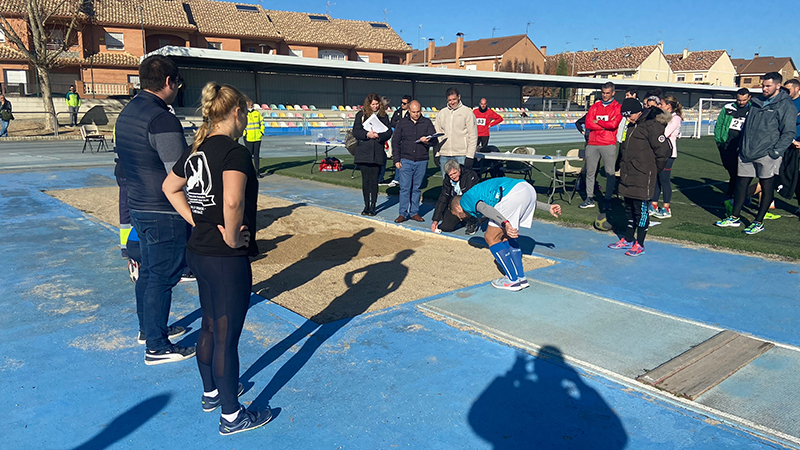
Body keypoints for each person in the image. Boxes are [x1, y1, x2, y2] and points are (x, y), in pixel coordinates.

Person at [163, 82, 272, 435]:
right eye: (245, 113)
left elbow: (170, 187)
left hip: (198, 252)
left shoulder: (198, 150)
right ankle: (231, 415)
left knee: (209, 326)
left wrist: (196, 220)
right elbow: (232, 202)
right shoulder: (234, 152)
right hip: (225, 257)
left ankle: (212, 393)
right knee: (226, 336)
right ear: (237, 112)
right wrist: (228, 232)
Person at [116, 55, 193, 365]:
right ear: (168, 82)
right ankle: (157, 347)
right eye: (176, 83)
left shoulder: (128, 112)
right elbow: (178, 171)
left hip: (138, 205)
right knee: (162, 277)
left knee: (147, 271)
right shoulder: (162, 119)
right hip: (163, 210)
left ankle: (148, 330)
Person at [715, 72, 798, 235]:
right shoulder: (756, 102)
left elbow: (788, 132)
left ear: (778, 86)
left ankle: (758, 221)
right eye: (763, 85)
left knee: (767, 187)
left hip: (767, 154)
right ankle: (734, 217)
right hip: (747, 152)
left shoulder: (786, 106)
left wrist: (775, 152)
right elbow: (747, 126)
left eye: (768, 86)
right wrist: (742, 145)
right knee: (741, 185)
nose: (764, 88)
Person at [450, 177, 560, 291]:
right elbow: (521, 195)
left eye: (456, 214)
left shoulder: (465, 200)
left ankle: (512, 280)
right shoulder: (478, 193)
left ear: (458, 207)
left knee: (490, 237)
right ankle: (521, 277)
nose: (460, 219)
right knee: (505, 236)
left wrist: (504, 222)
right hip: (527, 189)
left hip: (512, 194)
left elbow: (484, 208)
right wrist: (548, 207)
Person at [608, 98, 672, 257]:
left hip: (644, 175)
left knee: (641, 210)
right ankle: (628, 239)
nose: (628, 119)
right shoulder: (631, 126)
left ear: (638, 112)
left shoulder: (651, 126)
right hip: (628, 173)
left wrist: (653, 169)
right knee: (629, 209)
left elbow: (663, 151)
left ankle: (640, 243)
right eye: (626, 116)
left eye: (630, 115)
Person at [392, 100, 436, 223]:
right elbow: (395, 141)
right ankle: (403, 213)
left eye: (418, 112)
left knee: (416, 188)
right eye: (413, 112)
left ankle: (414, 212)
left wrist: (427, 141)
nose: (416, 114)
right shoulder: (402, 123)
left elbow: (434, 140)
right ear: (409, 111)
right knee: (405, 188)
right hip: (405, 159)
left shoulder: (426, 122)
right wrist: (396, 159)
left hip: (421, 160)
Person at [581, 82, 622, 211]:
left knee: (610, 173)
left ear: (613, 93)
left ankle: (607, 199)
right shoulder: (594, 106)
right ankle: (589, 198)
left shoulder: (617, 107)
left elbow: (614, 124)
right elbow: (588, 123)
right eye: (603, 93)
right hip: (593, 143)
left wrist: (598, 121)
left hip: (608, 143)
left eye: (607, 93)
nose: (605, 95)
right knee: (590, 172)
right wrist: (605, 124)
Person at [353, 92, 392, 216]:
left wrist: (378, 136)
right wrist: (367, 135)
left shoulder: (383, 116)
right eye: (373, 104)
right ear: (368, 104)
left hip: (377, 153)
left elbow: (388, 132)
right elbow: (356, 131)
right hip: (363, 152)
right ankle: (366, 206)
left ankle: (373, 207)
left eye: (377, 104)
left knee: (374, 181)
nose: (375, 106)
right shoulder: (361, 115)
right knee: (366, 181)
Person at [714, 89, 751, 203]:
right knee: (732, 171)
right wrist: (719, 141)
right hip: (727, 145)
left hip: (744, 147)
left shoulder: (753, 109)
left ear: (749, 98)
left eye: (744, 100)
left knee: (740, 173)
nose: (741, 102)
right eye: (739, 100)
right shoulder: (728, 108)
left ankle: (734, 195)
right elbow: (719, 124)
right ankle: (739, 195)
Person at [649, 95, 683, 219]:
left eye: (661, 104)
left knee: (664, 180)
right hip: (659, 152)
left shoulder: (675, 118)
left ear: (668, 105)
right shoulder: (663, 117)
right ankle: (653, 204)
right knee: (656, 179)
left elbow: (664, 133)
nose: (659, 106)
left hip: (669, 153)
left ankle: (666, 207)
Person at [435, 87, 478, 176]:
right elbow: (437, 136)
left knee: (462, 183)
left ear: (459, 97)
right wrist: (437, 153)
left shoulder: (467, 112)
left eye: (454, 99)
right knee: (447, 183)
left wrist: (470, 156)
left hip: (461, 155)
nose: (452, 102)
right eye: (449, 100)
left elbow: (473, 135)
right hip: (445, 155)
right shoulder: (442, 113)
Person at [431, 159, 480, 234]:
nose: (453, 176)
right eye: (451, 175)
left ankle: (472, 222)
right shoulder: (447, 180)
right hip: (455, 204)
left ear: (459, 169)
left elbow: (472, 197)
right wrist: (435, 220)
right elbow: (443, 198)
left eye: (455, 173)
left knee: (469, 204)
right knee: (445, 227)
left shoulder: (470, 175)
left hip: (468, 203)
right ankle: (461, 220)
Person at [243, 99, 265, 177]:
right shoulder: (244, 114)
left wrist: (261, 132)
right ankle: (249, 171)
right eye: (249, 104)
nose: (250, 105)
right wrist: (245, 133)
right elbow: (242, 125)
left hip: (257, 137)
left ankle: (257, 171)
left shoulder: (257, 113)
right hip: (249, 137)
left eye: (251, 104)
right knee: (249, 155)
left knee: (256, 155)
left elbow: (262, 122)